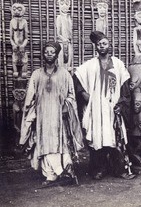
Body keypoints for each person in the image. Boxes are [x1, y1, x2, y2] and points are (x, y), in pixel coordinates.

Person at [19, 41, 84, 186]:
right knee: (44, 142)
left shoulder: (64, 74)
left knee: (60, 142)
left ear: (57, 55)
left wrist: (67, 106)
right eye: (46, 52)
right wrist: (31, 114)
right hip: (42, 116)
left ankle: (65, 171)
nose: (49, 55)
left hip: (59, 116)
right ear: (43, 54)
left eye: (52, 52)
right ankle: (50, 175)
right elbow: (30, 97)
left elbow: (71, 95)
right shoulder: (36, 74)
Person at [73, 31, 134, 180]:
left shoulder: (118, 64)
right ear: (96, 47)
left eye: (104, 43)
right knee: (98, 137)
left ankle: (119, 169)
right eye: (99, 44)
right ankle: (98, 169)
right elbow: (77, 77)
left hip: (113, 107)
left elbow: (125, 85)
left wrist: (121, 103)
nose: (102, 46)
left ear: (109, 45)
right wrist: (83, 94)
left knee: (116, 136)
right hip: (97, 108)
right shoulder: (91, 65)